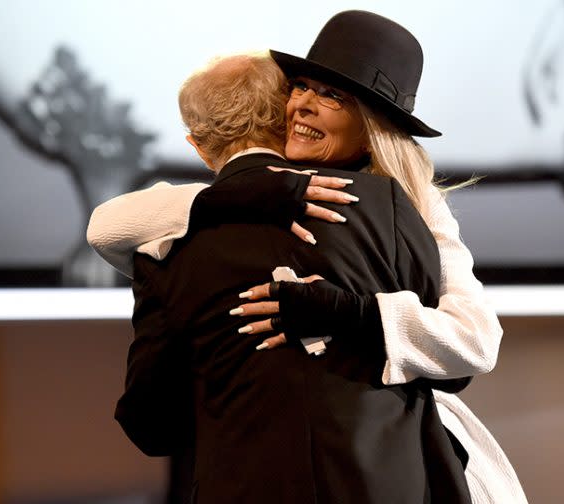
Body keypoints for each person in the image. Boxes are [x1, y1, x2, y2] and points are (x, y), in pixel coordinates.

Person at [89, 10, 527, 504]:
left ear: (371, 128)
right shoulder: (229, 207)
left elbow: (474, 343)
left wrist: (347, 313)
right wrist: (251, 194)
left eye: (333, 96)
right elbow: (104, 224)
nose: (303, 107)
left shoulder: (415, 205)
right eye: (301, 87)